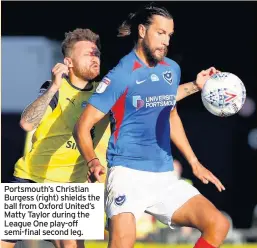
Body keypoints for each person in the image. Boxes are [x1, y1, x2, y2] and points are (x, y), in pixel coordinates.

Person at [73, 4, 230, 248]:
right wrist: (93, 161)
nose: (166, 41)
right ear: (142, 31)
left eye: (169, 35)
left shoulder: (171, 69)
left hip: (163, 175)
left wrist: (194, 163)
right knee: (122, 243)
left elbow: (170, 112)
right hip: (127, 174)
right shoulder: (121, 74)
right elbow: (82, 126)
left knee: (218, 224)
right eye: (160, 33)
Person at [1, 28, 110, 248]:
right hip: (32, 178)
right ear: (68, 62)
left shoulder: (106, 93)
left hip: (71, 187)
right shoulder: (55, 89)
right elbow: (27, 123)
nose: (95, 58)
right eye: (88, 54)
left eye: (96, 53)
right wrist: (54, 87)